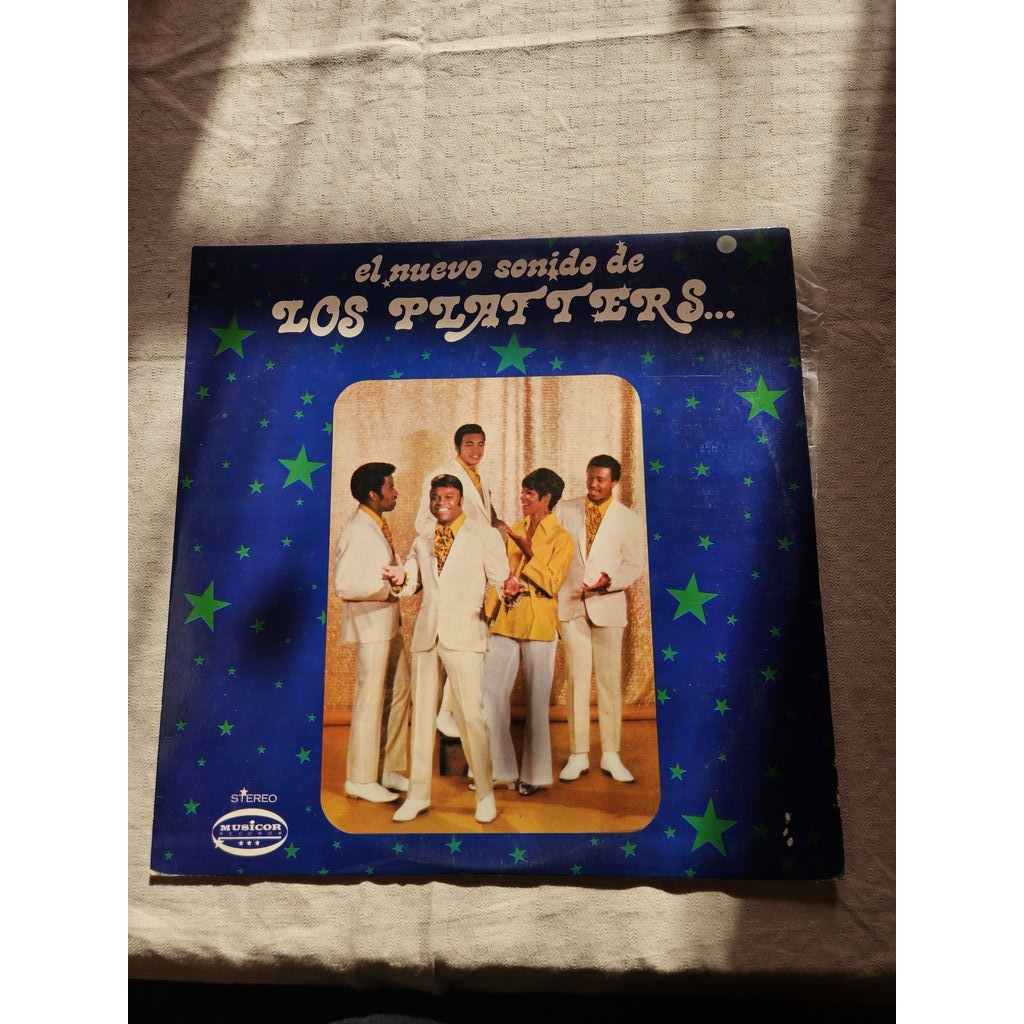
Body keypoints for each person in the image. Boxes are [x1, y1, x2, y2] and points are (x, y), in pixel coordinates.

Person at [385, 475, 518, 824]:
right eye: (436, 497)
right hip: (428, 636)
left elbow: (500, 580)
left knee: (471, 716)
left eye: (448, 496)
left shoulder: (484, 535)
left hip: (467, 635)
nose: (441, 502)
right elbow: (411, 583)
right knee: (422, 719)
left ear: (460, 501)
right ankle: (418, 796)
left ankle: (485, 794)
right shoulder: (422, 540)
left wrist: (508, 591)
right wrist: (399, 579)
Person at [481, 468, 573, 796]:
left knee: (536, 703)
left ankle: (535, 776)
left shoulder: (561, 537)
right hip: (507, 619)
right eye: (522, 491)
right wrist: (489, 611)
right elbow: (501, 574)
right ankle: (502, 769)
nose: (522, 498)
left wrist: (527, 550)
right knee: (490, 693)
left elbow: (552, 583)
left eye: (529, 493)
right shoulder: (515, 529)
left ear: (546, 498)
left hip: (540, 625)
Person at [556, 455, 647, 784]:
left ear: (614, 482)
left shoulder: (628, 519)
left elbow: (634, 565)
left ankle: (611, 754)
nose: (594, 484)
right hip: (571, 605)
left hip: (607, 605)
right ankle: (577, 754)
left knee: (609, 682)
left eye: (601, 480)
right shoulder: (564, 510)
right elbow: (551, 551)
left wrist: (609, 581)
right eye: (590, 477)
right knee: (577, 680)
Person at [414, 423, 507, 740]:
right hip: (453, 567)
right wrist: (453, 543)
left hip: (479, 566)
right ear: (457, 447)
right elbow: (423, 522)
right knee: (460, 642)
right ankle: (447, 713)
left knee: (474, 638)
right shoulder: (441, 476)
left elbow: (485, 519)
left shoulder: (483, 477)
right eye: (469, 444)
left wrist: (498, 529)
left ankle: (452, 711)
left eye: (481, 444)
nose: (476, 451)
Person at [333, 462, 411, 803]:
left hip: (388, 623)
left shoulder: (376, 525)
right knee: (370, 700)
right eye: (390, 487)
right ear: (372, 494)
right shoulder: (357, 531)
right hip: (372, 626)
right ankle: (360, 779)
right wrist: (388, 588)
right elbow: (344, 585)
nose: (395, 492)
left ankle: (388, 767)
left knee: (400, 690)